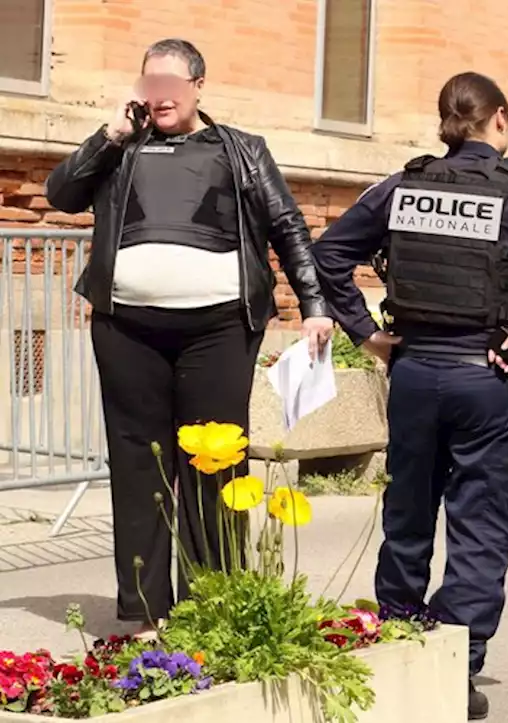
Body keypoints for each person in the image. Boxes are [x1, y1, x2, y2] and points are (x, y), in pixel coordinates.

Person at [309, 72, 508, 720]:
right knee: (481, 524)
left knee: (409, 513)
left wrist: (365, 335)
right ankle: (458, 664)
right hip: (487, 375)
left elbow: (329, 253)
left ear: (445, 121)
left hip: (414, 371)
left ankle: (398, 642)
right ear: (498, 120)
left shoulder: (401, 187)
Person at [45, 38, 332, 636]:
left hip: (219, 331)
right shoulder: (120, 148)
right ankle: (146, 613)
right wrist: (108, 136)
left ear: (199, 85)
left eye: (172, 85)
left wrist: (314, 304)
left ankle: (212, 604)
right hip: (127, 330)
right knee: (137, 465)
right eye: (151, 85)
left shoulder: (240, 150)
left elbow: (286, 225)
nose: (161, 97)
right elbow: (60, 195)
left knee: (215, 461)